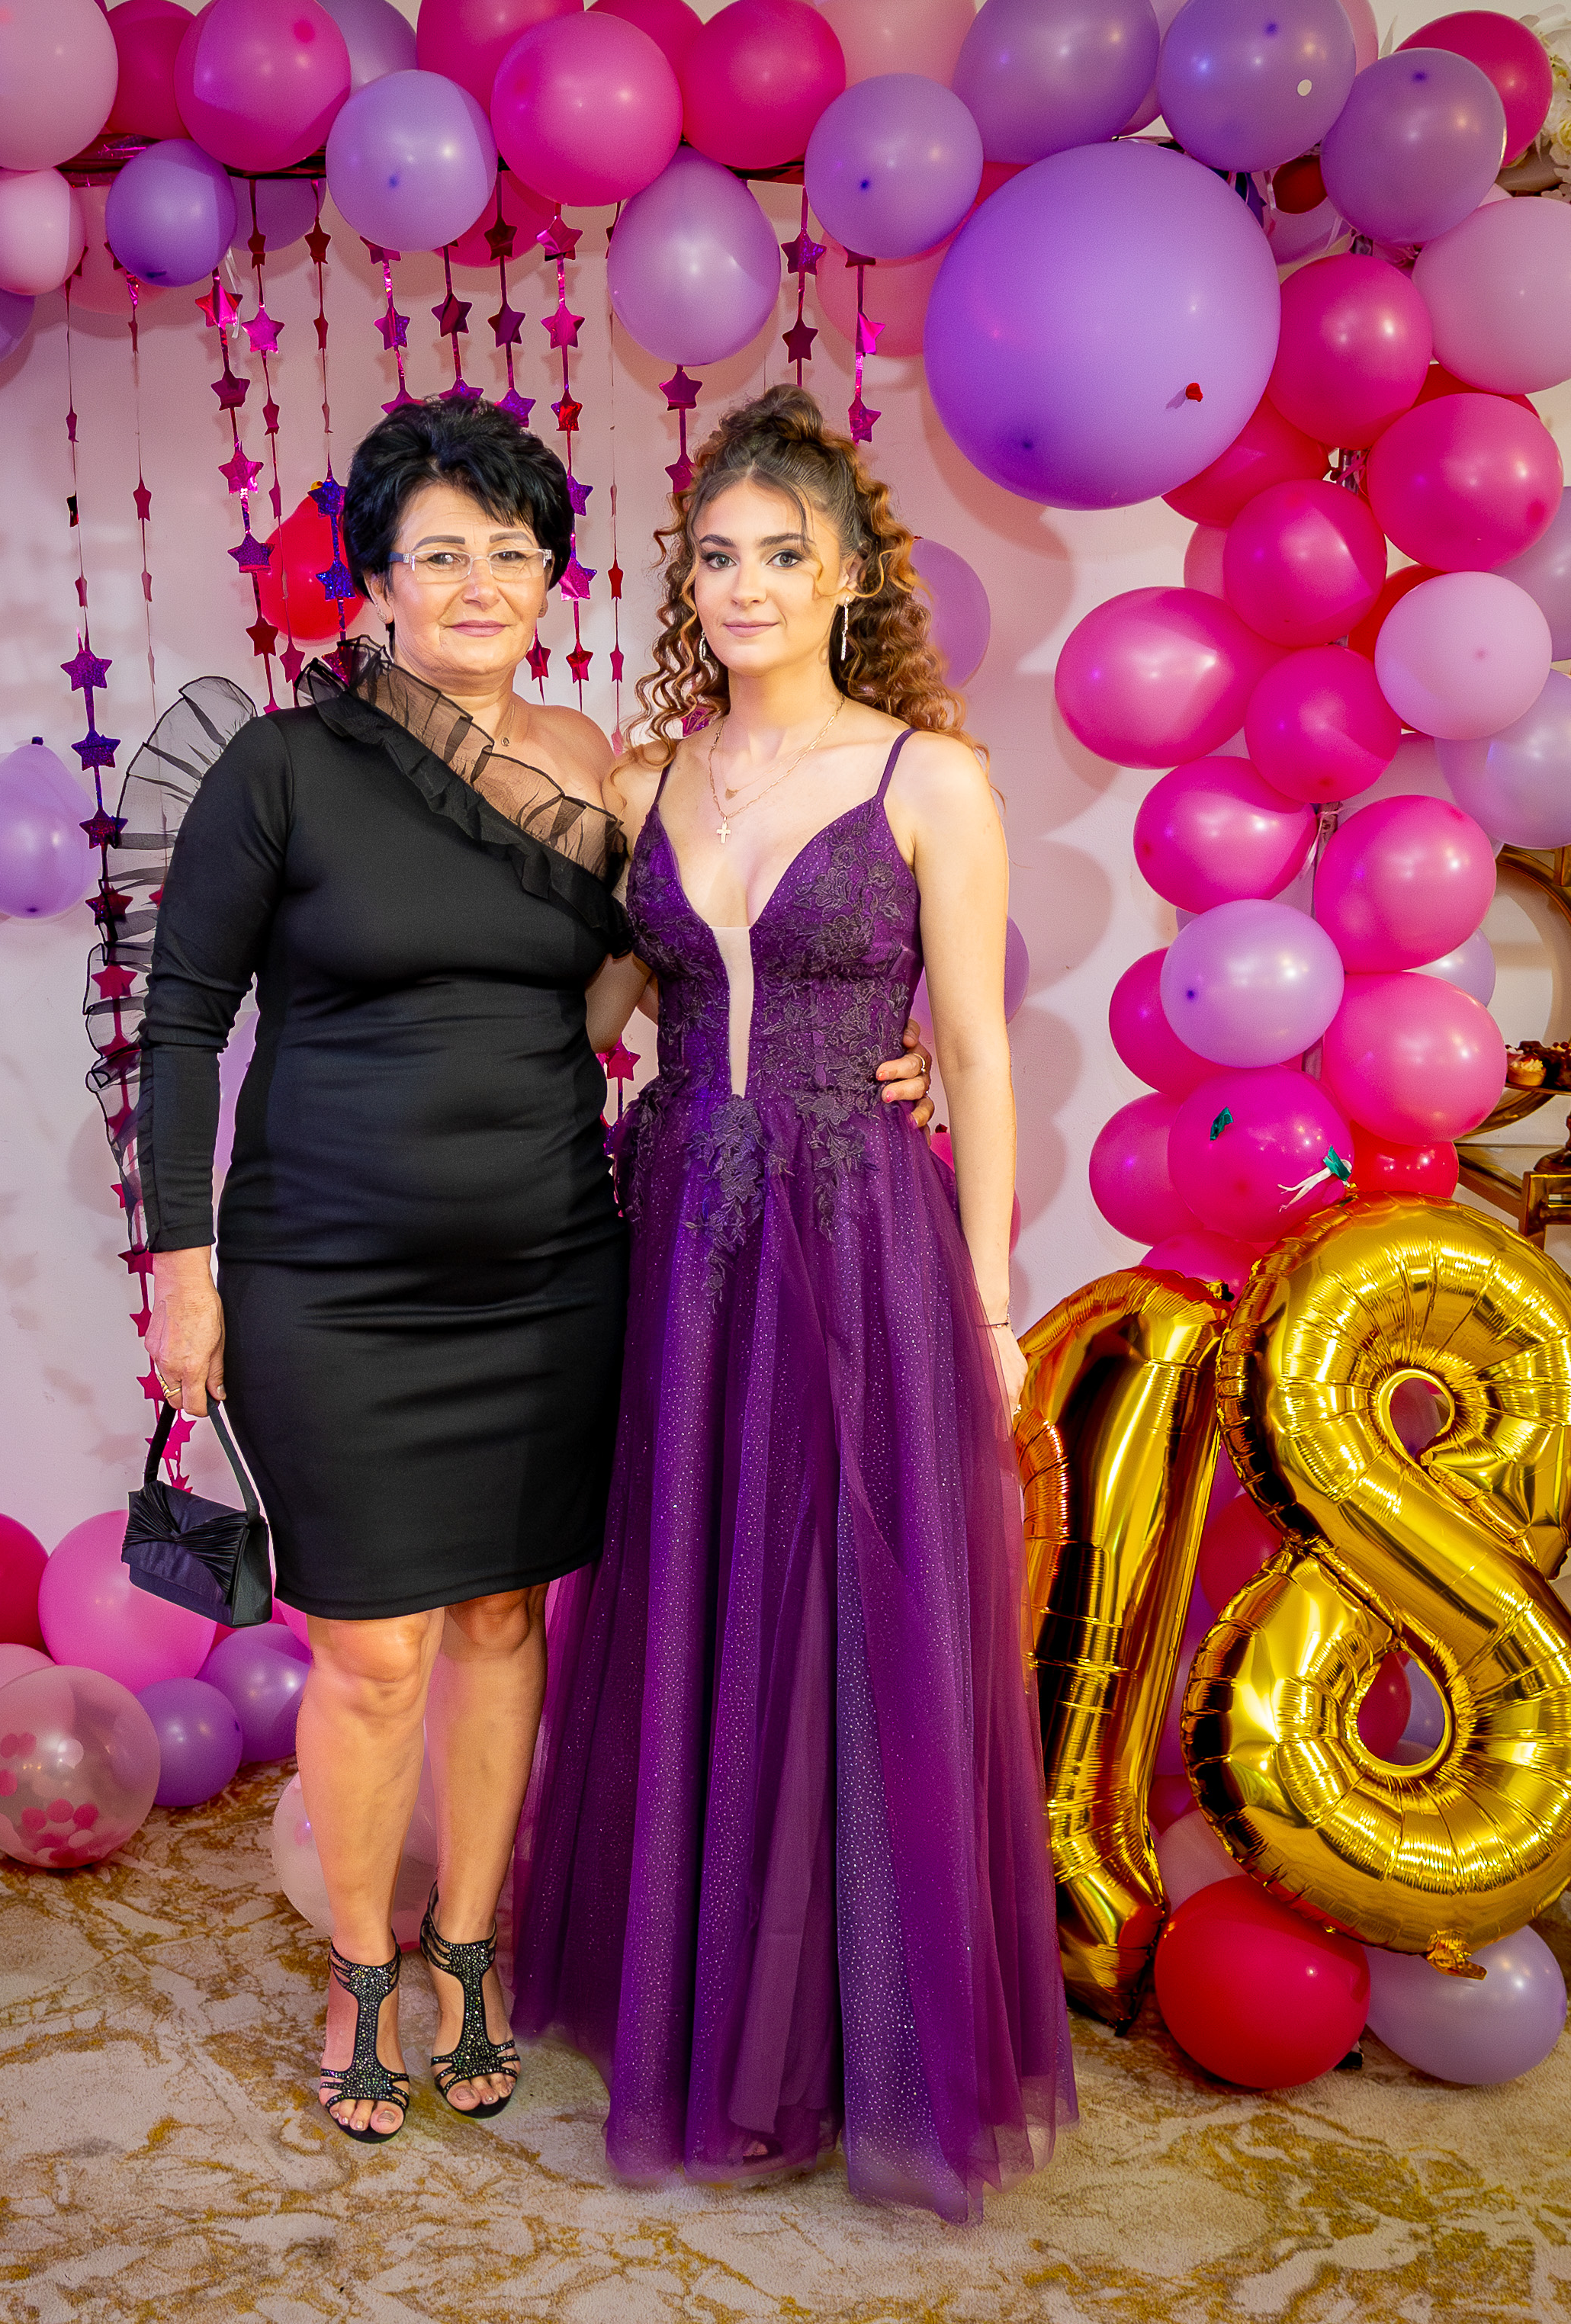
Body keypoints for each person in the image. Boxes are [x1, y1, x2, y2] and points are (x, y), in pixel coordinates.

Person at [137, 396, 932, 2142]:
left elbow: (708, 956)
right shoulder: (281, 769)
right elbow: (180, 1024)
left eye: (510, 551)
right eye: (439, 554)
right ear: (374, 584)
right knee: (370, 1654)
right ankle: (360, 1966)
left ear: (552, 576)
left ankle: (470, 1948)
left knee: (505, 1623)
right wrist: (182, 1275)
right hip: (325, 1279)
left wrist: (890, 1043)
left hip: (554, 1266)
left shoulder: (595, 768)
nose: (479, 583)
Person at [512, 386, 1075, 2222]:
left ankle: (838, 2046)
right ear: (686, 579)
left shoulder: (930, 781)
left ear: (846, 576)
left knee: (846, 1618)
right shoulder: (648, 784)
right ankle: (704, 2019)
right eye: (715, 556)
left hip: (857, 1235)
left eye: (781, 554)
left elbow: (973, 1058)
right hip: (680, 1229)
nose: (743, 584)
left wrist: (988, 1309)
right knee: (696, 1599)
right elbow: (596, 1017)